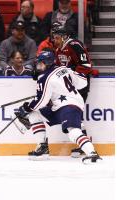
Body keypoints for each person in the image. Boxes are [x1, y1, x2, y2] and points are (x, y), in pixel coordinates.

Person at [14, 51, 102, 164]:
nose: (38, 66)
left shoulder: (44, 78)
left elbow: (41, 101)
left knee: (73, 131)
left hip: (68, 106)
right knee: (34, 114)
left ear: (47, 63)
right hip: (65, 105)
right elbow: (82, 82)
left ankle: (92, 153)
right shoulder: (63, 68)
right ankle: (43, 148)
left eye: (41, 63)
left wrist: (26, 108)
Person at [52, 27, 99, 157]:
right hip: (69, 86)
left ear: (64, 37)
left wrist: (72, 75)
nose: (55, 40)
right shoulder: (58, 49)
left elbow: (86, 66)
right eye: (54, 38)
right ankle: (84, 144)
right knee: (76, 114)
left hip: (80, 84)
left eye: (57, 38)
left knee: (76, 113)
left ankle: (86, 145)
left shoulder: (75, 45)